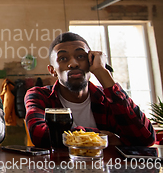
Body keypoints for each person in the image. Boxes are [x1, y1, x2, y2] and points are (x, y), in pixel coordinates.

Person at [25, 32, 155, 147]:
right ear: (52, 70)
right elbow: (40, 135)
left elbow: (145, 138)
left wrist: (103, 73)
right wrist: (99, 137)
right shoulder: (39, 95)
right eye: (63, 58)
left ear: (91, 61)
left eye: (81, 56)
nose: (74, 64)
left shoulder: (107, 98)